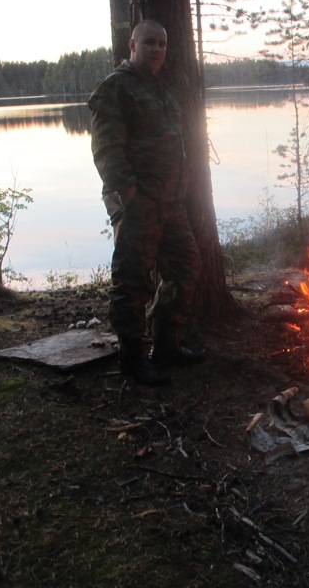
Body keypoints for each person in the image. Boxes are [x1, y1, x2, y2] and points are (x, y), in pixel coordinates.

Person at [88, 19, 206, 385]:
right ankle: (132, 359)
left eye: (163, 44)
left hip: (169, 201)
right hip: (139, 202)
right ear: (132, 45)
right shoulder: (115, 89)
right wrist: (127, 192)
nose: (157, 50)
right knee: (132, 279)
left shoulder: (162, 89)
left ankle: (165, 344)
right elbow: (106, 147)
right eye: (150, 43)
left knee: (185, 267)